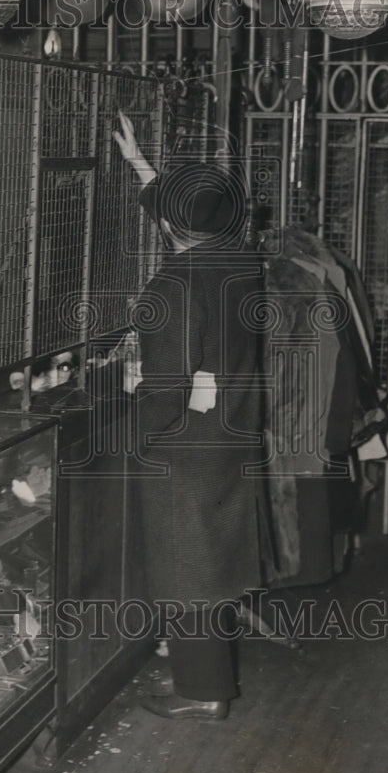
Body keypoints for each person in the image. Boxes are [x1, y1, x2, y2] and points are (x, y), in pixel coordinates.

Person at [113, 111, 267, 721]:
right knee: (211, 565)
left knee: (189, 570)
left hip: (187, 448)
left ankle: (203, 694)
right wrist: (140, 165)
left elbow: (170, 387)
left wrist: (133, 396)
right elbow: (188, 221)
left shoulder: (171, 287)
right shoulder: (239, 261)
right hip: (232, 432)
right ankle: (201, 673)